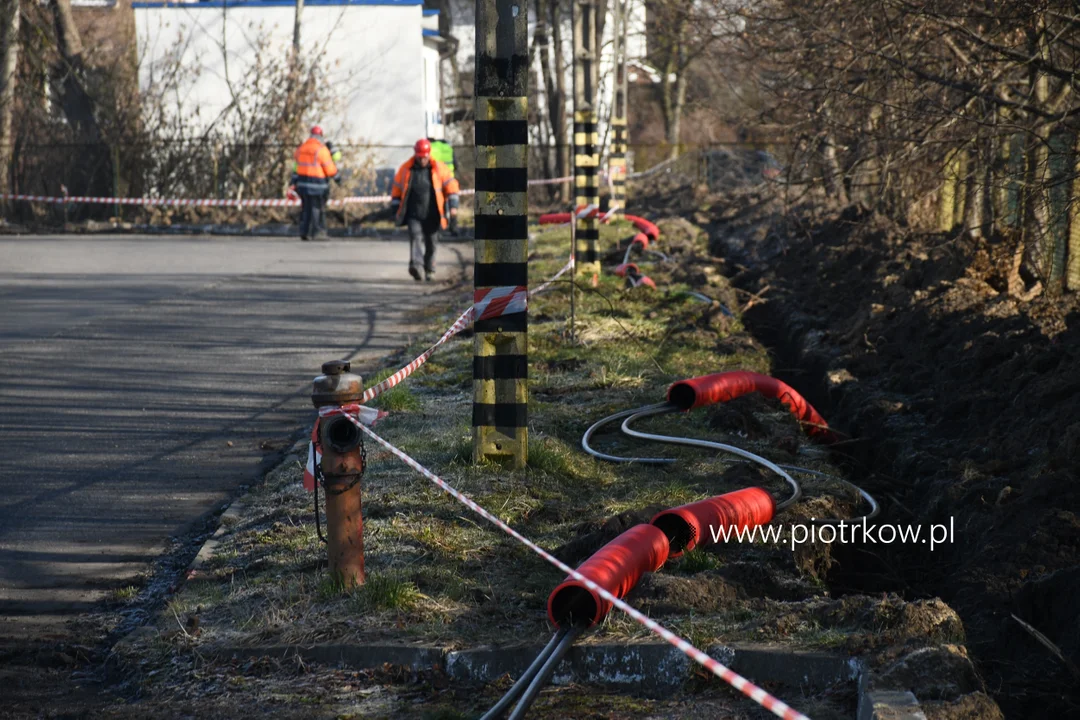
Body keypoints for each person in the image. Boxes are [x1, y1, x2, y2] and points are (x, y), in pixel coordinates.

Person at [390, 138, 460, 281]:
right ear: (416, 154)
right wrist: (395, 207)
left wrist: (453, 207)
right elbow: (396, 188)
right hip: (413, 213)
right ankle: (416, 265)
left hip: (433, 213)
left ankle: (429, 268)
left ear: (429, 154)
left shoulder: (439, 168)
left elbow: (451, 187)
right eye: (420, 157)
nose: (422, 160)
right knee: (415, 237)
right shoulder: (406, 169)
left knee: (431, 242)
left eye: (425, 157)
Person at [291, 125, 339, 241]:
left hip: (302, 184)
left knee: (306, 209)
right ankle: (318, 232)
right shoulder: (321, 150)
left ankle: (304, 231)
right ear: (321, 136)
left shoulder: (301, 149)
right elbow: (330, 169)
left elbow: (295, 167)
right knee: (317, 209)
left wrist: (293, 182)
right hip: (318, 185)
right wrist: (338, 178)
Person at [428, 138, 459, 236]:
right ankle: (454, 227)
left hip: (437, 180)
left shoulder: (432, 147)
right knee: (453, 205)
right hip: (450, 179)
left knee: (441, 204)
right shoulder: (449, 148)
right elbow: (456, 165)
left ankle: (442, 228)